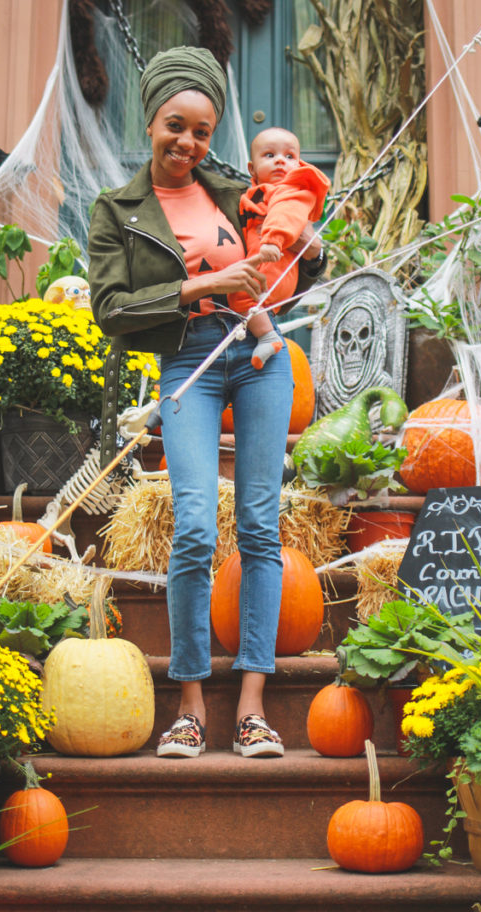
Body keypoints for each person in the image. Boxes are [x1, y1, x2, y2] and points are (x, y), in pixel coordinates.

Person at [88, 46, 326, 759]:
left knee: (259, 530)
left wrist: (307, 250)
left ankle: (252, 704)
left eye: (200, 130)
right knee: (192, 526)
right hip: (188, 360)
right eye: (174, 126)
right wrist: (196, 289)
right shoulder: (119, 210)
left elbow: (292, 273)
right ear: (152, 120)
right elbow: (109, 308)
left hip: (259, 363)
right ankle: (189, 703)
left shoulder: (231, 186)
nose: (186, 143)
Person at [228, 127, 330, 369]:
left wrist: (274, 240)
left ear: (299, 164)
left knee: (240, 295)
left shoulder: (292, 192)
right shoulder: (259, 194)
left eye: (289, 157)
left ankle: (267, 337)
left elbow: (285, 217)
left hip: (273, 268)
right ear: (252, 169)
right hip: (265, 268)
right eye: (270, 156)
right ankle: (265, 335)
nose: (280, 162)